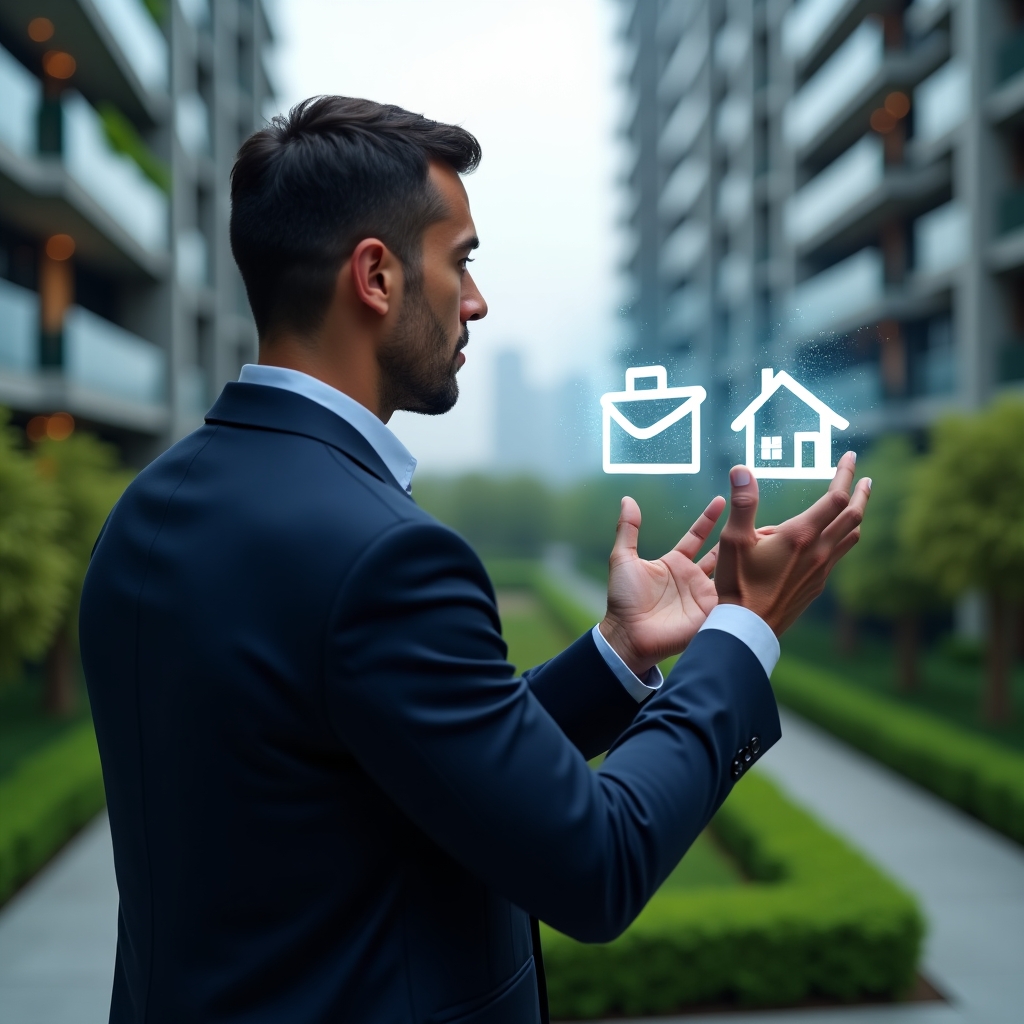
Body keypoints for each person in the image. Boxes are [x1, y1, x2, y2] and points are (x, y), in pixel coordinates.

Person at [80, 96, 869, 1024]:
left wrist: (616, 656)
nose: (478, 300)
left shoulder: (146, 513)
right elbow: (595, 868)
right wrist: (743, 634)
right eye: (461, 262)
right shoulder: (386, 555)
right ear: (375, 275)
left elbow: (380, 762)